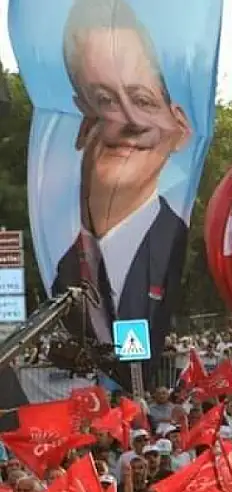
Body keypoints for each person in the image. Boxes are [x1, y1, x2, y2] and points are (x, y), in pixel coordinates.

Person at [53, 0, 193, 367]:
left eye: (142, 100)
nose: (128, 119)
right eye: (104, 100)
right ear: (83, 124)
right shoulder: (62, 269)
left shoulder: (179, 246)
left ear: (180, 127)